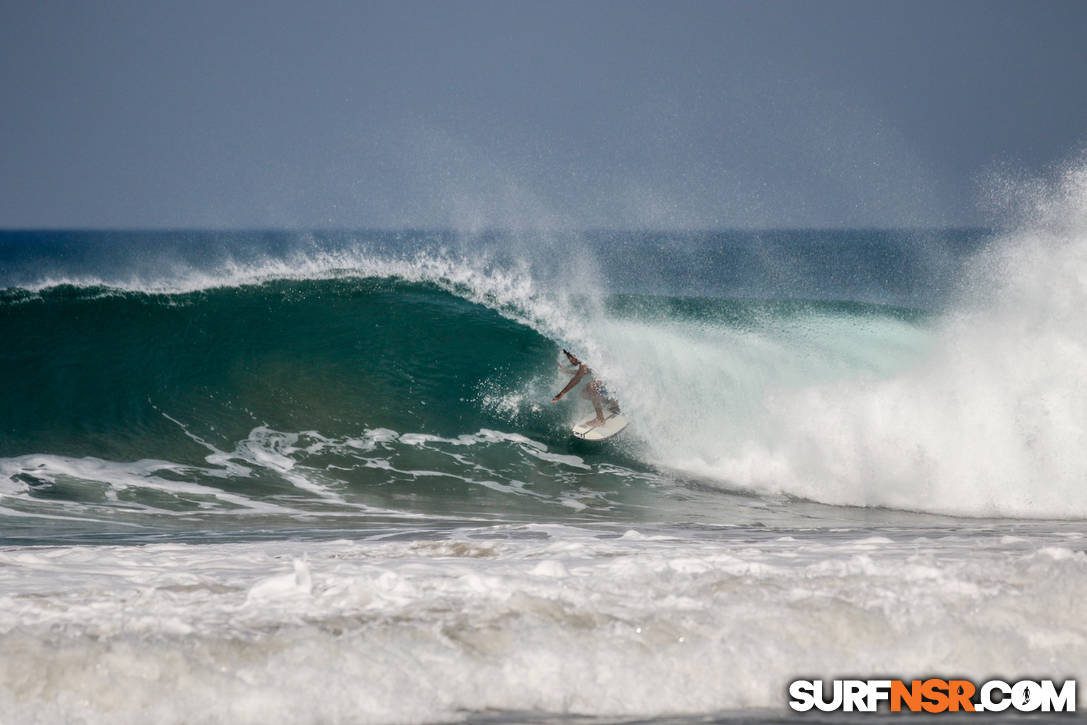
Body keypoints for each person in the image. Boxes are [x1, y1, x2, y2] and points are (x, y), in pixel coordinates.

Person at [551, 350, 620, 427]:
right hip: (613, 385)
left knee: (591, 386)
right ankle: (612, 403)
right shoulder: (588, 358)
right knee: (584, 394)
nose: (570, 359)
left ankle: (600, 419)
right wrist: (568, 371)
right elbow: (585, 371)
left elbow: (577, 378)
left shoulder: (584, 360)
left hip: (616, 385)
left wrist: (561, 393)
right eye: (568, 357)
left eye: (571, 356)